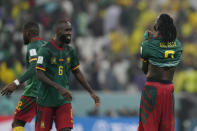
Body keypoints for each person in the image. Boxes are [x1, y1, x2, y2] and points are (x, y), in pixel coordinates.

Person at [35, 19, 100, 131]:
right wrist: (58, 87)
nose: (70, 33)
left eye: (70, 30)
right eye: (66, 30)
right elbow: (39, 74)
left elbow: (77, 73)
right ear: (58, 31)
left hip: (63, 101)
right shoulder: (45, 50)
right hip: (45, 101)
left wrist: (91, 92)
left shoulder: (70, 51)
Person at [138, 13, 182, 131]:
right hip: (168, 90)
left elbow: (144, 69)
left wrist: (147, 41)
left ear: (158, 26)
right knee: (167, 127)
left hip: (152, 90)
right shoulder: (178, 45)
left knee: (149, 126)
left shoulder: (147, 44)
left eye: (156, 22)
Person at [1, 22, 46, 131]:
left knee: (17, 123)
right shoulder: (45, 45)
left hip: (33, 92)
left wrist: (15, 83)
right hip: (46, 92)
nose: (23, 36)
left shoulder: (32, 46)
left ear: (28, 33)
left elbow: (35, 66)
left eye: (23, 33)